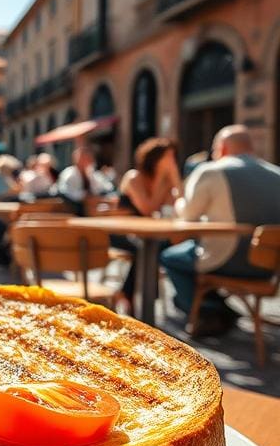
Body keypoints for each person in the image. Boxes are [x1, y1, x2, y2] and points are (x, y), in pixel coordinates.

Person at [160, 125, 280, 336]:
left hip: (225, 259)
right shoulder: (276, 173)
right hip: (269, 268)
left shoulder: (211, 170)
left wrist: (178, 200)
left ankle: (208, 311)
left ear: (222, 148)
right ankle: (220, 309)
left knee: (170, 257)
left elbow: (187, 216)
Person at [111, 138, 182, 312]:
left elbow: (181, 205)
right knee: (145, 248)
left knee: (163, 246)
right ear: (155, 158)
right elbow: (148, 209)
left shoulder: (165, 182)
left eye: (173, 157)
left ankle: (129, 295)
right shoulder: (134, 177)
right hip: (120, 232)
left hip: (146, 233)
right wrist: (162, 180)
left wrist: (175, 178)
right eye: (167, 157)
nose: (171, 162)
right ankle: (132, 295)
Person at [55, 145, 113, 210]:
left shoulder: (90, 172)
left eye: (87, 158)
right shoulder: (69, 174)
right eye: (82, 158)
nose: (86, 160)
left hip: (87, 204)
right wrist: (84, 195)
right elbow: (66, 192)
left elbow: (101, 186)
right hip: (72, 205)